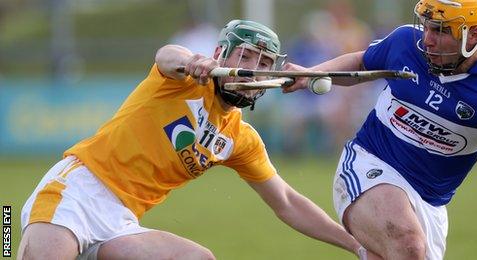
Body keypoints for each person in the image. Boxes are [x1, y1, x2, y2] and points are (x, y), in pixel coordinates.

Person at [18, 19, 374, 260]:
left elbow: (287, 202)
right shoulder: (182, 80)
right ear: (221, 55)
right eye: (246, 56)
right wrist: (192, 61)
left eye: (264, 62)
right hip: (76, 193)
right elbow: (166, 55)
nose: (255, 68)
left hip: (120, 222)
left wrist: (358, 247)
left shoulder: (240, 138)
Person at [282, 1, 477, 259]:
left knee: (410, 248)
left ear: (473, 35)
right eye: (427, 27)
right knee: (407, 242)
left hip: (429, 207)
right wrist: (312, 74)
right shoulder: (406, 44)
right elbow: (361, 63)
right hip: (368, 163)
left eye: (441, 31)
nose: (428, 39)